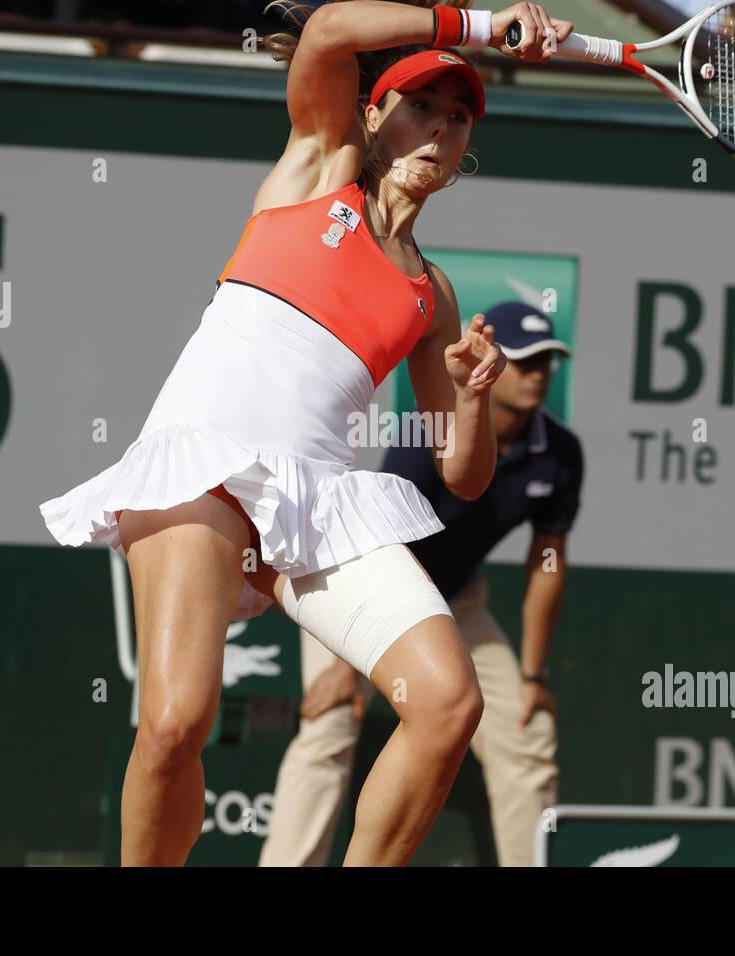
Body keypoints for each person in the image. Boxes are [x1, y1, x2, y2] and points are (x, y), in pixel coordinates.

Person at [37, 0, 573, 866]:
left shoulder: (432, 297)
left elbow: (464, 476)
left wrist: (472, 398)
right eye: (420, 106)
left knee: (448, 704)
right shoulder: (318, 169)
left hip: (311, 504)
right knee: (176, 722)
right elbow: (326, 32)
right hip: (202, 461)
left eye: (457, 115)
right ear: (372, 116)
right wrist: (473, 23)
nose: (438, 128)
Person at [260, 302, 583, 866]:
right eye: (525, 361)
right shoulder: (430, 433)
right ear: (490, 364)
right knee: (330, 722)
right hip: (358, 578)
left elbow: (547, 560)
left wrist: (533, 674)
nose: (538, 375)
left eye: (548, 363)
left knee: (527, 735)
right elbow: (386, 536)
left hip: (454, 600)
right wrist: (344, 667)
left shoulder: (559, 453)